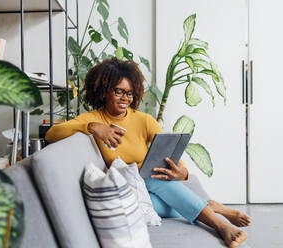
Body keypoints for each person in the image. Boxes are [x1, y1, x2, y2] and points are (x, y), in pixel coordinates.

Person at [45, 57, 251, 248]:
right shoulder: (94, 118)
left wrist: (183, 173)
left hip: (152, 179)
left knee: (154, 176)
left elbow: (170, 151)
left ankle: (220, 225)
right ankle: (211, 207)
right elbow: (52, 134)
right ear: (104, 91)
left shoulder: (144, 120)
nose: (125, 98)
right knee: (154, 202)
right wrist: (92, 127)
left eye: (129, 93)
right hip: (130, 188)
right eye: (119, 91)